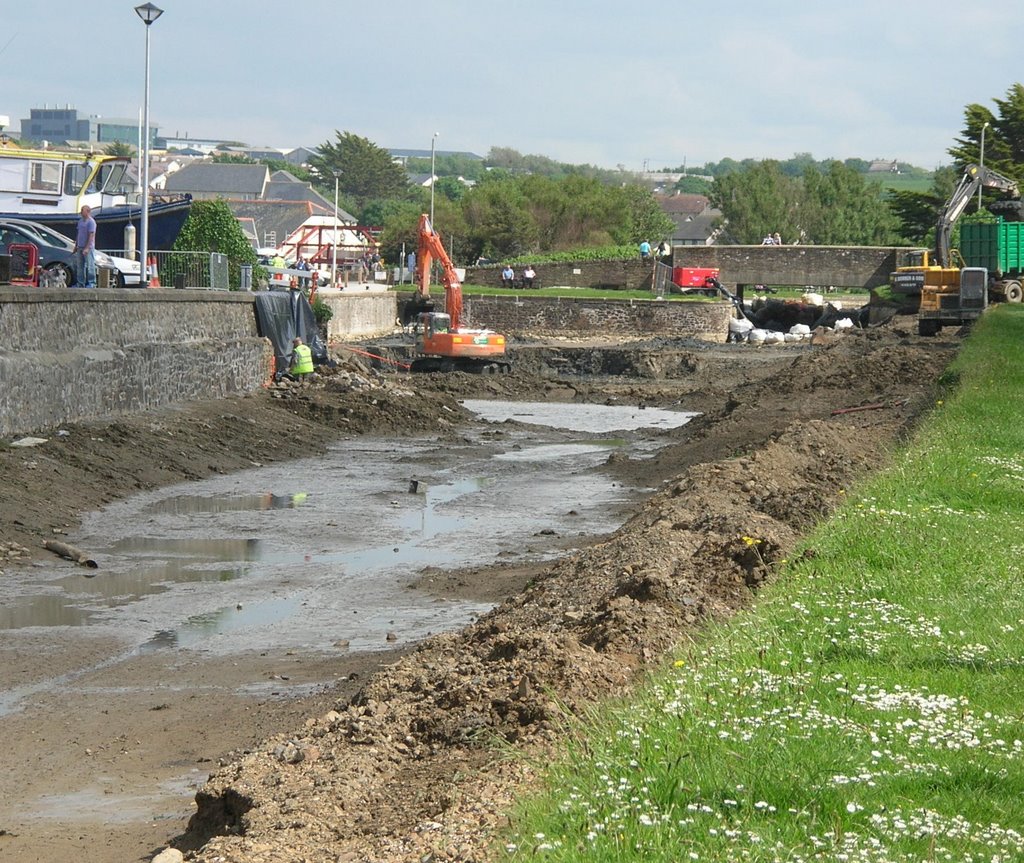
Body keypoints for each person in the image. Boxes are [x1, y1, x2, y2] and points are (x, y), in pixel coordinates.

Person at [72, 204, 97, 288]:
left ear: (87, 211)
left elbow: (91, 235)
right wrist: (76, 245)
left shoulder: (91, 222)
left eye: (82, 210)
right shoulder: (80, 221)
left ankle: (92, 283)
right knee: (80, 266)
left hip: (88, 248)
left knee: (90, 266)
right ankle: (80, 283)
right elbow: (78, 234)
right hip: (80, 246)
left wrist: (87, 248)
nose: (81, 212)